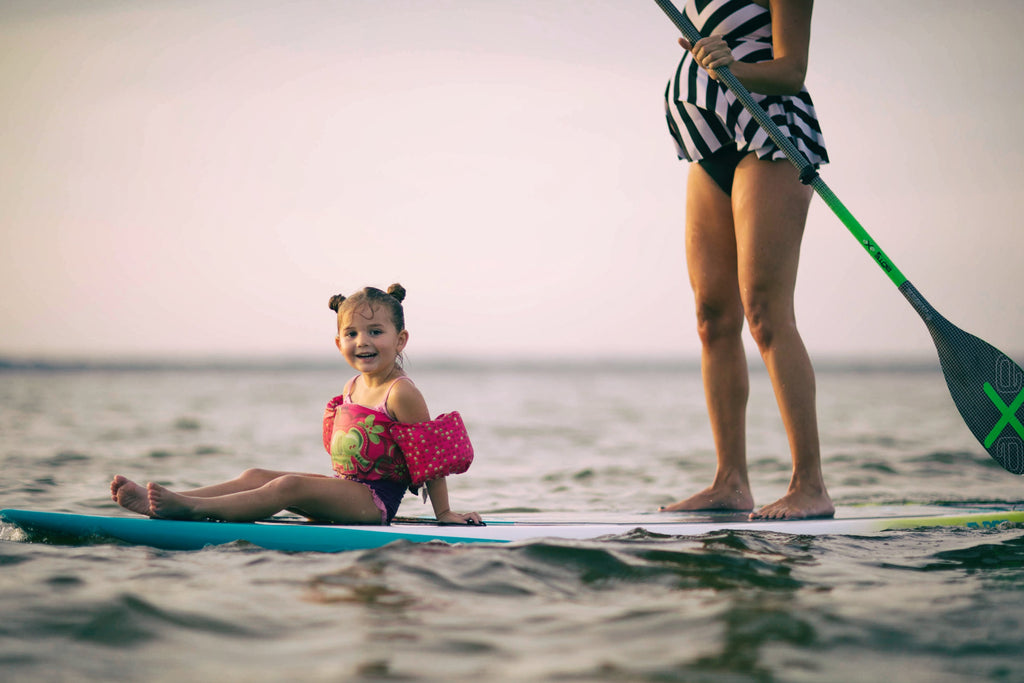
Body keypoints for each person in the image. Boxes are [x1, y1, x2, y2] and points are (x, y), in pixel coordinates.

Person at [660, 0, 833, 520]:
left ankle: (810, 485)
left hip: (770, 131)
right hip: (711, 138)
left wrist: (734, 66)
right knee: (713, 318)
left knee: (765, 313)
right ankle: (729, 482)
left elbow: (792, 70)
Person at [110, 284, 481, 526]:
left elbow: (431, 460)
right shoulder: (351, 386)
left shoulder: (400, 392)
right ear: (339, 344)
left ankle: (189, 511)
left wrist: (444, 514)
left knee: (287, 485)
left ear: (400, 340)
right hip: (348, 491)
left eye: (375, 332)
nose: (362, 341)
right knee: (256, 475)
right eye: (351, 334)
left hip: (374, 505)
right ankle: (173, 500)